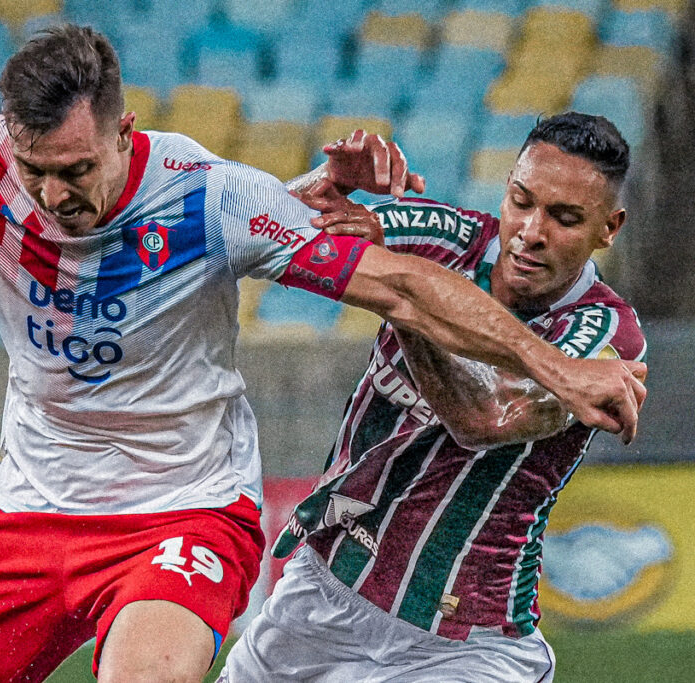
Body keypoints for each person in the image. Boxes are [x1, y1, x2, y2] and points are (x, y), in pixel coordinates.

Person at [0, 23, 644, 683]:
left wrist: (567, 373)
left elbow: (410, 306)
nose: (56, 195)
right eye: (37, 173)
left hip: (190, 511)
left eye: (78, 170)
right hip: (48, 508)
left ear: (125, 130)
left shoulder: (205, 192)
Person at [221, 113, 647, 682]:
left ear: (609, 227)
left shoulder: (604, 335)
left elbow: (486, 416)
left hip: (466, 645)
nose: (531, 231)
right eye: (521, 201)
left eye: (565, 218)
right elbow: (246, 229)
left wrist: (401, 295)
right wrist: (327, 181)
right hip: (319, 596)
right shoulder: (443, 237)